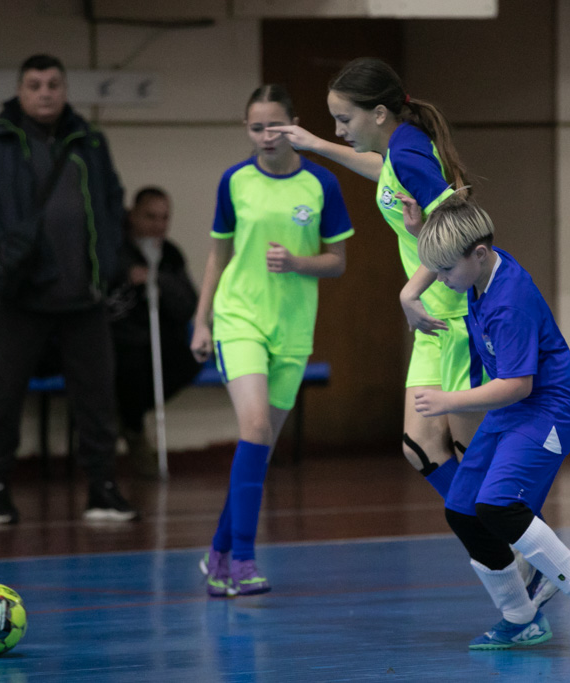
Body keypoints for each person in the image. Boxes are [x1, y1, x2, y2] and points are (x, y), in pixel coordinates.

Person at [270, 57, 555, 604]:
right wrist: (317, 145)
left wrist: (410, 290)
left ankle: (532, 561)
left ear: (379, 114)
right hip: (433, 323)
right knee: (420, 446)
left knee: (476, 459)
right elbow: (383, 173)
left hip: (454, 316)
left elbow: (462, 222)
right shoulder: (398, 149)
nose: (339, 130)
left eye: (343, 120)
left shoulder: (407, 150)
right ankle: (506, 551)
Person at [414, 198, 570, 650]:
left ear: (478, 254)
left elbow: (518, 385)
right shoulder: (478, 271)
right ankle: (520, 618)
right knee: (463, 509)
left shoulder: (509, 302)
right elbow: (448, 258)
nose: (440, 279)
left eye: (445, 270)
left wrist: (448, 400)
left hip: (549, 410)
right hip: (514, 411)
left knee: (499, 505)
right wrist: (409, 293)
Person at [0, 54, 137, 524]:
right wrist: (1, 244)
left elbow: (113, 200)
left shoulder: (90, 139)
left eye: (54, 84)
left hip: (85, 294)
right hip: (23, 294)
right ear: (20, 91)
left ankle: (103, 489)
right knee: (6, 397)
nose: (45, 93)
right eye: (35, 85)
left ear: (65, 89)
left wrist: (111, 260)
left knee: (98, 399)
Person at [192, 84, 353, 597]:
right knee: (256, 426)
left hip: (293, 328)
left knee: (259, 448)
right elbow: (218, 255)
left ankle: (217, 555)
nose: (266, 136)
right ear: (247, 129)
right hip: (239, 318)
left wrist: (299, 262)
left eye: (275, 126)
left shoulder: (322, 183)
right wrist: (201, 321)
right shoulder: (234, 181)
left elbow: (337, 261)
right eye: (256, 127)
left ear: (294, 125)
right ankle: (243, 559)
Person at [107, 186, 200, 478]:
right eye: (150, 217)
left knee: (192, 358)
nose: (158, 225)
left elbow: (188, 304)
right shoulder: (113, 250)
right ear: (133, 215)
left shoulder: (170, 254)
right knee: (130, 364)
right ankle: (132, 428)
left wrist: (156, 280)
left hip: (164, 340)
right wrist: (126, 279)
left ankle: (124, 418)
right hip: (121, 342)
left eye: (164, 218)